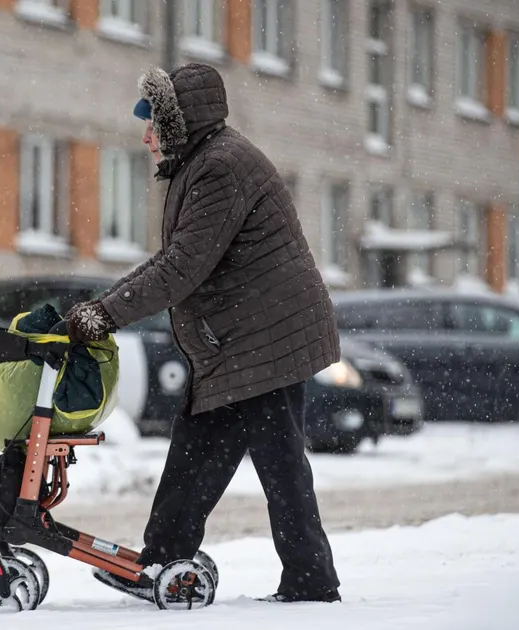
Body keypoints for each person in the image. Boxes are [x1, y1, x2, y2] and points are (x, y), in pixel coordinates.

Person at [64, 63, 343, 604]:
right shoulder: (205, 162)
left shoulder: (219, 168)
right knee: (235, 452)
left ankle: (294, 578)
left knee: (255, 457)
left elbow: (180, 270)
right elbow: (173, 260)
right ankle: (176, 556)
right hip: (250, 336)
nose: (144, 135)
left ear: (176, 123)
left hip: (264, 336)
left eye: (150, 123)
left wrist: (105, 316)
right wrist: (99, 306)